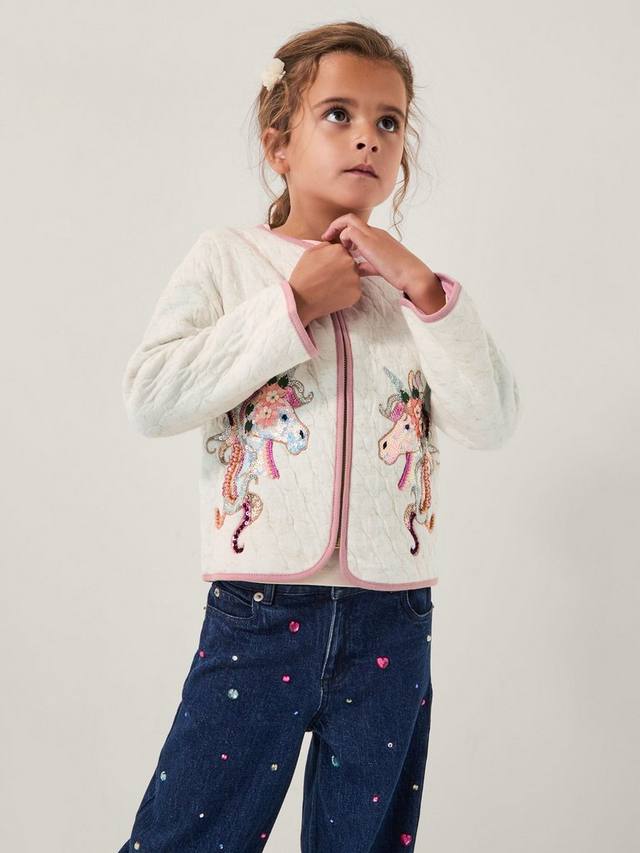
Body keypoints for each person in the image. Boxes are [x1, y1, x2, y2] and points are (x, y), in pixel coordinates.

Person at [117, 20, 520, 853]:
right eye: (338, 113)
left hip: (393, 619)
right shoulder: (229, 260)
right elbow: (151, 396)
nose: (367, 136)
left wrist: (424, 290)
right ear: (279, 144)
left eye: (388, 121)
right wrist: (291, 305)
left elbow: (491, 420)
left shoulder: (411, 293)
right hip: (261, 614)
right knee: (188, 834)